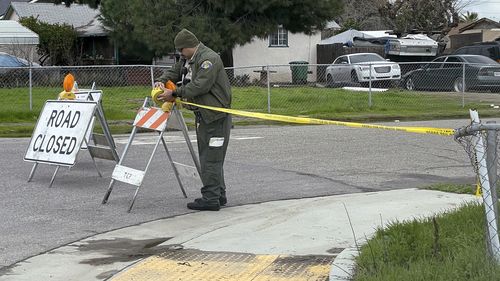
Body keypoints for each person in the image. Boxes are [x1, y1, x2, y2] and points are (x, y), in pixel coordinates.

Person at [155, 29, 232, 211]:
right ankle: (218, 194)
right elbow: (175, 71)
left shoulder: (208, 60)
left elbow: (199, 86)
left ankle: (210, 199)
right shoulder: (190, 59)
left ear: (189, 47)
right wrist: (161, 80)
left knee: (210, 159)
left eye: (181, 50)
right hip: (205, 116)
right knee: (211, 157)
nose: (180, 54)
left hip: (216, 118)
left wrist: (174, 93)